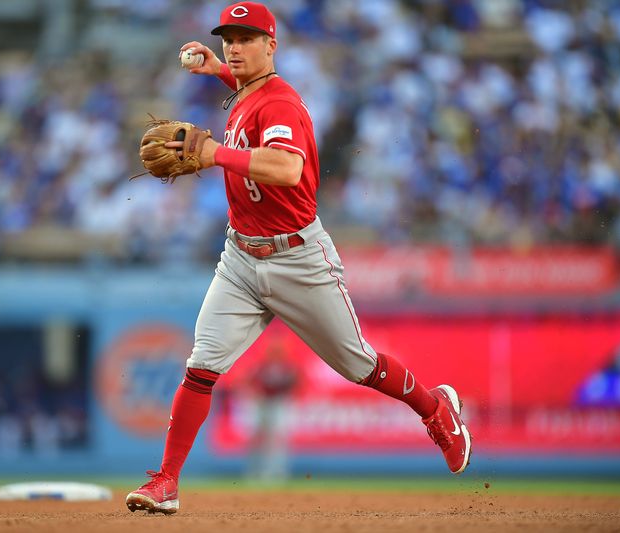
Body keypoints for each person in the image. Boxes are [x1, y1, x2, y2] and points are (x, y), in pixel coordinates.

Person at [126, 2, 471, 515]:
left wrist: (214, 153)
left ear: (272, 46)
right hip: (241, 258)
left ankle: (435, 407)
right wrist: (215, 69)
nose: (235, 47)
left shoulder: (281, 103)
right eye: (229, 39)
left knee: (359, 364)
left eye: (247, 39)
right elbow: (246, 96)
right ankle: (166, 482)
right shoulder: (246, 93)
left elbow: (286, 169)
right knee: (201, 365)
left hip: (297, 258)